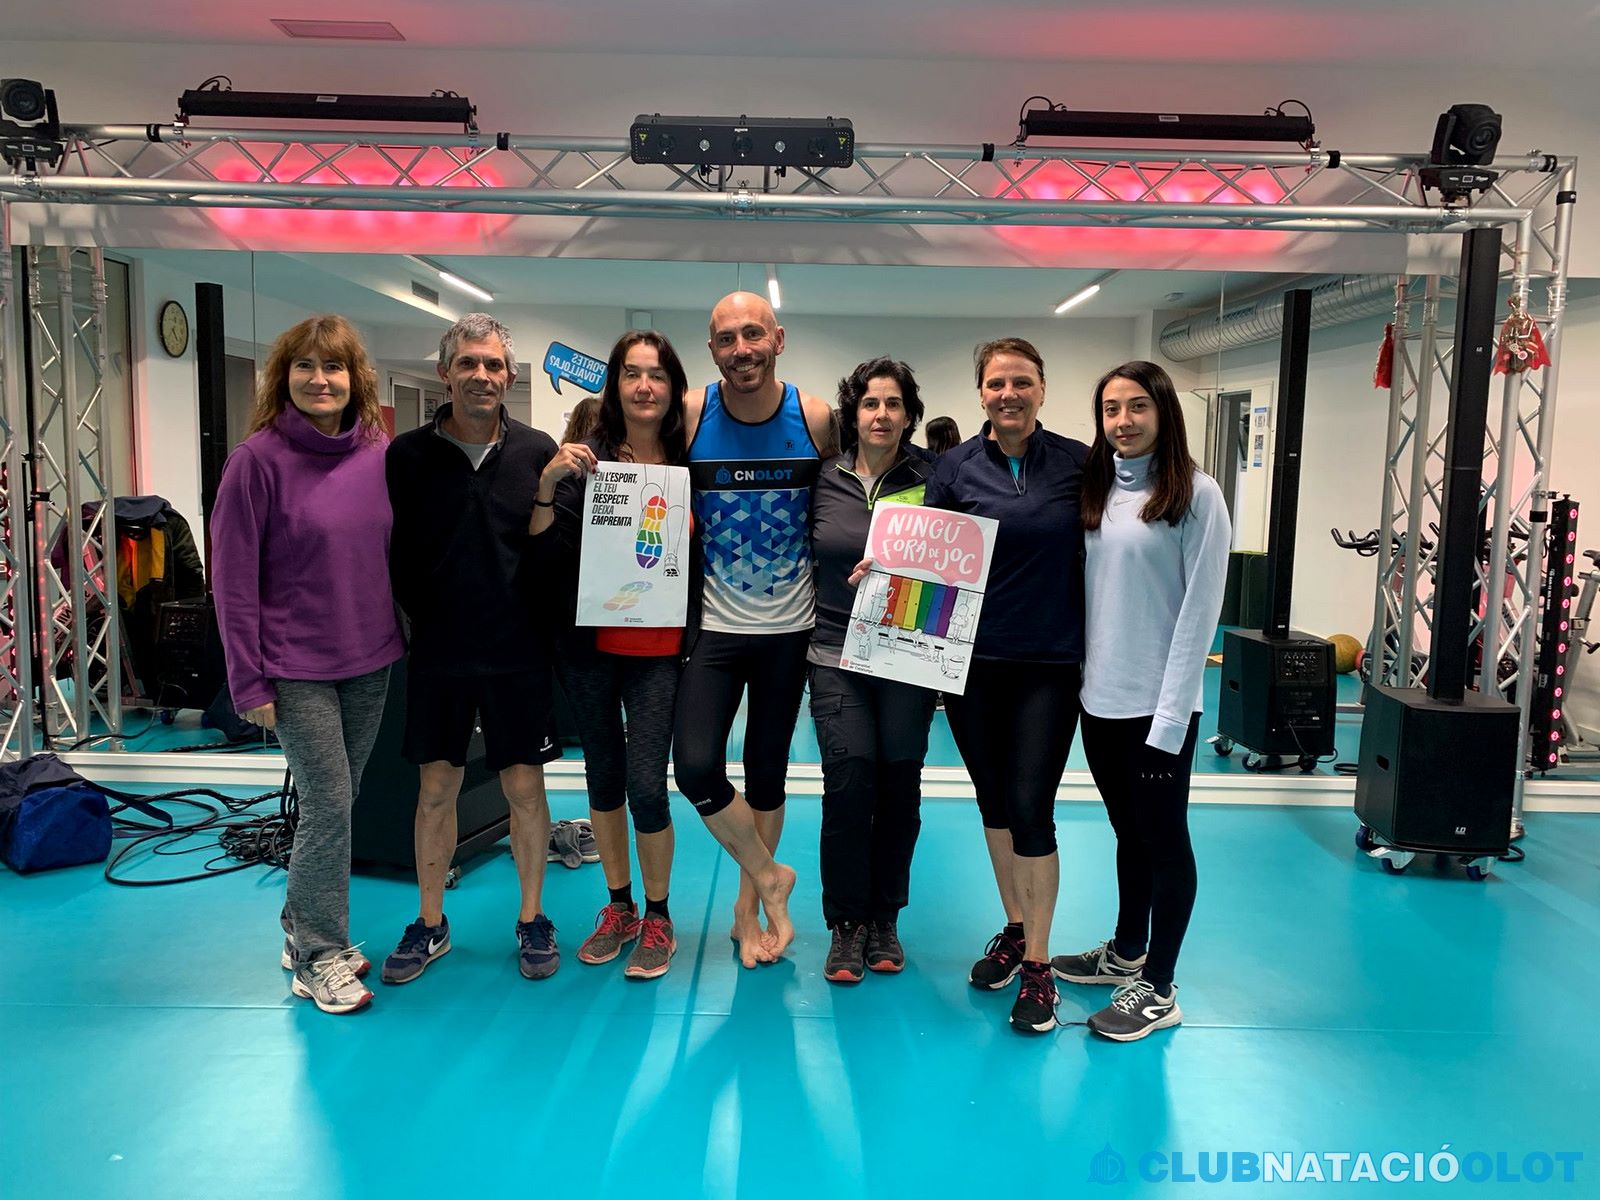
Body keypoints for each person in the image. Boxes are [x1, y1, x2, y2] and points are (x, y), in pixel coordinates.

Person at [211, 314, 403, 1015]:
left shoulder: (377, 453)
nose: (320, 380)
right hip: (295, 667)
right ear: (283, 376)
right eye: (305, 366)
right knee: (327, 804)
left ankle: (301, 924)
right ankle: (319, 953)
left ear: (356, 379)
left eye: (334, 367)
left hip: (371, 657)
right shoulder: (256, 461)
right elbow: (232, 580)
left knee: (343, 800)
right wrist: (248, 679)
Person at [380, 313, 563, 985]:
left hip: (518, 651)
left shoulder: (538, 452)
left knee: (524, 786)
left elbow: (549, 553)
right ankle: (430, 923)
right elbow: (394, 554)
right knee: (436, 788)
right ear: (445, 373)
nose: (481, 375)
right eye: (468, 363)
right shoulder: (406, 457)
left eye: (493, 364)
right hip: (441, 652)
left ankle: (533, 917)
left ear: (509, 377)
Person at [1054, 360, 1229, 1041]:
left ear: (1163, 412)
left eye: (1137, 407)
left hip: (1158, 708)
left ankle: (1158, 986)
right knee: (1129, 833)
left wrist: (1172, 716)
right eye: (1110, 409)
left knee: (1164, 840)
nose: (1122, 421)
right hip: (1099, 702)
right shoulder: (1098, 490)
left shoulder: (1197, 496)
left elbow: (1199, 613)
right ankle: (1126, 951)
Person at [921, 337, 1089, 1035]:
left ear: (1042, 388)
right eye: (996, 383)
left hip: (1050, 664)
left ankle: (1039, 966)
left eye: (1021, 381)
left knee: (1030, 806)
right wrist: (884, 576)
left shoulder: (1081, 463)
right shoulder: (955, 467)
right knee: (993, 800)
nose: (1008, 394)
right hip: (972, 666)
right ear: (981, 393)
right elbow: (927, 556)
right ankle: (1016, 928)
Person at [674, 291, 837, 968]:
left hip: (790, 631)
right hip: (714, 629)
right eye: (726, 339)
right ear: (712, 350)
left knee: (768, 774)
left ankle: (749, 910)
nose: (741, 349)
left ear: (778, 338)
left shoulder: (814, 416)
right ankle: (773, 875)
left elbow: (842, 508)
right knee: (696, 767)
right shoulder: (692, 413)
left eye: (753, 334)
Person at [530, 330, 693, 980]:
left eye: (657, 374)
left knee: (646, 785)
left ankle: (659, 914)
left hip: (659, 649)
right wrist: (548, 485)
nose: (644, 386)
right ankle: (619, 907)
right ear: (615, 385)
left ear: (672, 387)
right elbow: (544, 554)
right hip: (590, 647)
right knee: (603, 777)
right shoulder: (588, 462)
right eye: (632, 373)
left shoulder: (690, 461)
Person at [809, 357, 936, 983]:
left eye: (893, 403)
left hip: (908, 655)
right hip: (835, 652)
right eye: (869, 403)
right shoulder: (822, 478)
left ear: (909, 414)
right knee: (849, 780)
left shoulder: (934, 478)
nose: (881, 414)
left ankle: (885, 917)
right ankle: (846, 922)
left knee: (899, 786)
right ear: (852, 413)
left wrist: (904, 570)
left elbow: (959, 562)